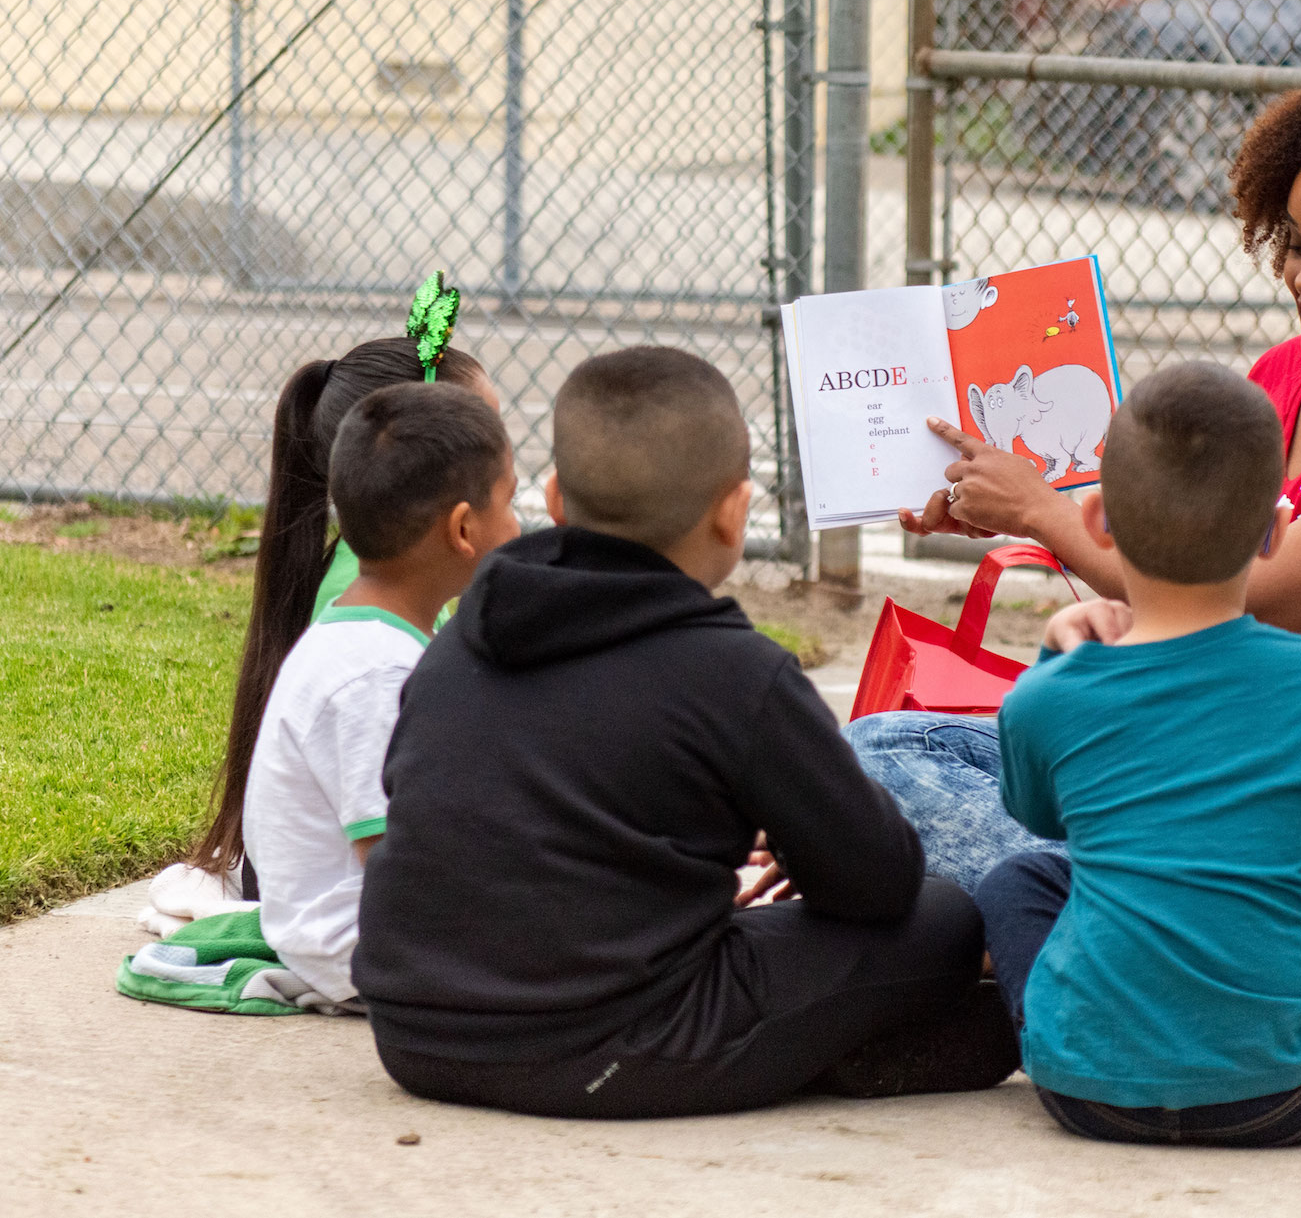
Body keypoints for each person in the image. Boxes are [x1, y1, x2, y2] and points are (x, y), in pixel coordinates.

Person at [852, 80, 1301, 947]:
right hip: (1203, 765)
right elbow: (1164, 542)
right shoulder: (1286, 376)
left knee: (1288, 758)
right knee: (877, 752)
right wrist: (1003, 498)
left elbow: (1237, 594)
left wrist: (1043, 512)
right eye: (1297, 244)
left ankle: (1071, 911)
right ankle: (1144, 912)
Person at [353, 347, 1016, 1118]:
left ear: (556, 497)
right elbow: (880, 882)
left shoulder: (461, 635)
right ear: (735, 511)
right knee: (946, 917)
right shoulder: (736, 671)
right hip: (608, 1047)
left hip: (414, 1035)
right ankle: (853, 1047)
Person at [974, 363, 1301, 1146]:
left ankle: (1051, 1032)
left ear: (1096, 518)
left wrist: (1057, 659)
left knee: (1016, 879)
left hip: (1088, 1094)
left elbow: (1034, 813)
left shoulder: (1049, 697)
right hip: (1281, 1094)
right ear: (1277, 528)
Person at [241, 382, 521, 1006]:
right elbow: (399, 863)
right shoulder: (373, 673)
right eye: (511, 499)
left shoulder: (379, 643)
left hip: (382, 934)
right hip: (363, 949)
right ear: (464, 528)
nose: (519, 521)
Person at [185, 334, 494, 887]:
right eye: (494, 467)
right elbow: (394, 861)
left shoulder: (389, 589)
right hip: (360, 930)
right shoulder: (370, 645)